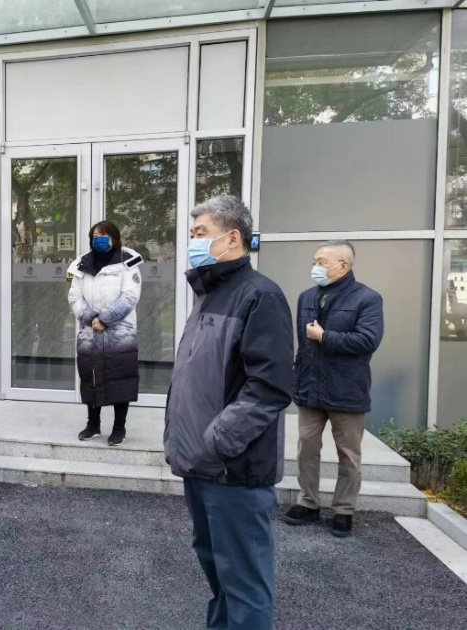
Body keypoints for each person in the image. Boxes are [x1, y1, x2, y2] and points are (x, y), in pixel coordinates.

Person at [164, 195, 293, 630]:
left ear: (232, 238)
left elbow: (270, 387)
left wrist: (217, 442)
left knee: (244, 583)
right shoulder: (211, 294)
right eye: (193, 234)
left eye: (200, 233)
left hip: (232, 469)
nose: (193, 241)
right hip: (202, 465)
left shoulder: (260, 295)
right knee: (219, 574)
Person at [283, 240, 384, 538]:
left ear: (343, 265)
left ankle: (343, 510)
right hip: (309, 388)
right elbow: (303, 346)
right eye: (314, 261)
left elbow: (368, 340)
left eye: (322, 262)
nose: (315, 267)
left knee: (348, 455)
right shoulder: (306, 297)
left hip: (347, 389)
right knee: (306, 449)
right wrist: (297, 378)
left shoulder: (368, 298)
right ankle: (308, 503)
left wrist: (325, 336)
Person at [68, 221, 143, 446]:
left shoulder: (128, 261)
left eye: (103, 235)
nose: (98, 239)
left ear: (114, 237)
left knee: (120, 377)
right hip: (90, 331)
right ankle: (93, 424)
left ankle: (119, 428)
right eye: (95, 235)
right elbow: (74, 296)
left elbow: (130, 296)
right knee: (91, 377)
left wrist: (105, 319)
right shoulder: (81, 264)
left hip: (120, 333)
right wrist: (90, 317)